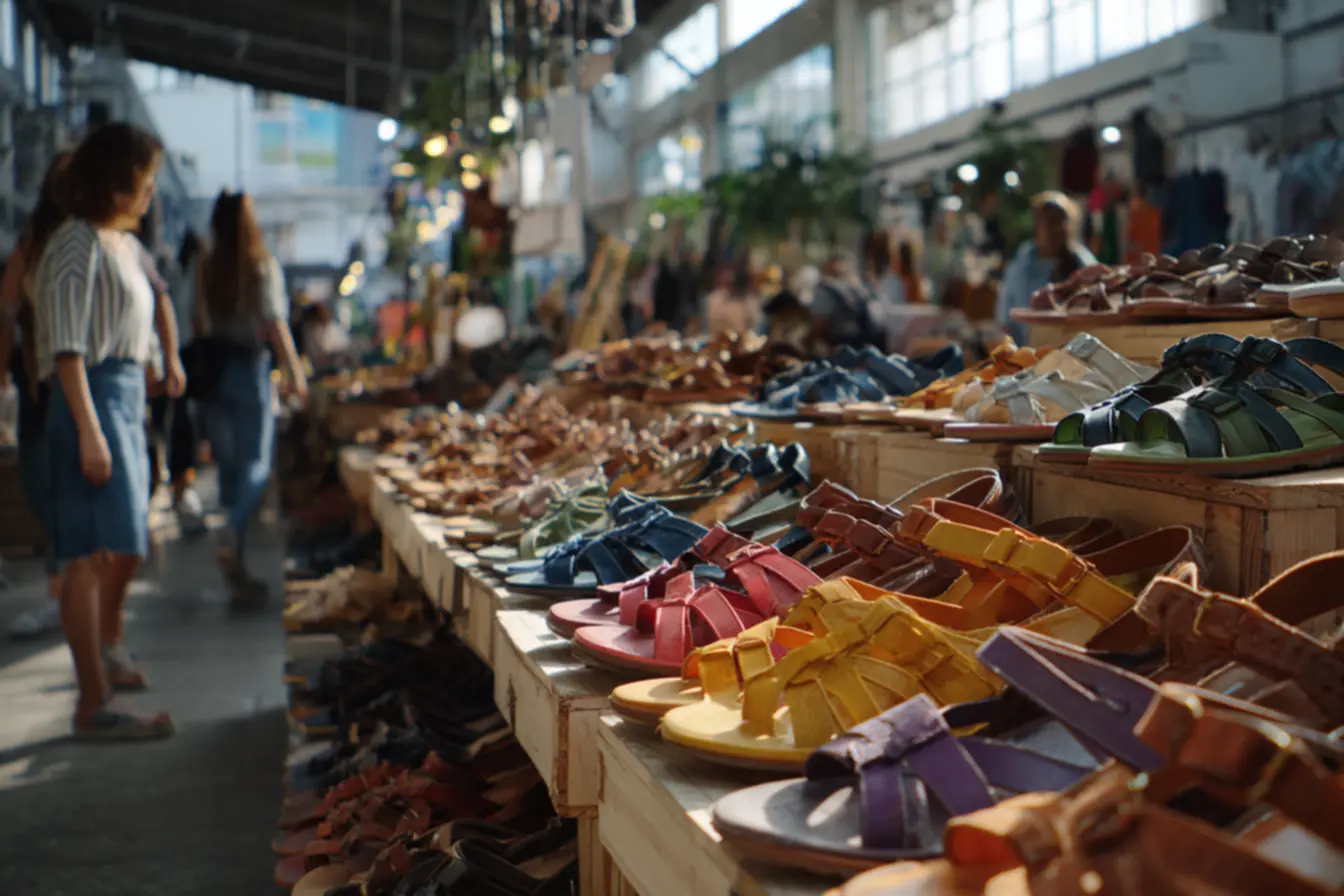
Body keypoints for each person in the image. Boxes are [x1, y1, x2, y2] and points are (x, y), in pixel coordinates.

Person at [36, 122, 184, 739]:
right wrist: (91, 431)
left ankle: (104, 662)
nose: (150, 191)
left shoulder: (120, 243)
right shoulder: (75, 242)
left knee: (122, 543)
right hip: (89, 402)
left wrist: (157, 361)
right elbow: (68, 348)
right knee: (86, 558)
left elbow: (140, 316)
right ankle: (92, 703)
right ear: (117, 178)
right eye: (143, 178)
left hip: (120, 402)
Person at [196, 191, 307, 602]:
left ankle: (236, 569)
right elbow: (276, 323)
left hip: (212, 374)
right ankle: (230, 531)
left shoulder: (205, 266)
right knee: (256, 468)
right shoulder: (261, 265)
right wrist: (295, 374)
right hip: (248, 370)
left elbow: (197, 320)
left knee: (229, 473)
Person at [0, 152, 70, 639]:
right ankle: (66, 593)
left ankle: (67, 595)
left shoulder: (92, 240)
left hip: (58, 384)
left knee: (55, 493)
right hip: (42, 384)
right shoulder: (37, 242)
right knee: (47, 491)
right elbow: (6, 311)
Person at [995, 191, 1097, 344]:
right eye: (1047, 221)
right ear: (1037, 225)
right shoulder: (1021, 266)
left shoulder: (1084, 264)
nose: (1053, 228)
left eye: (1059, 220)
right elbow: (1005, 320)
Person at [808, 252, 883, 352]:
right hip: (868, 341)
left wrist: (806, 343)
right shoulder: (856, 285)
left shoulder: (824, 289)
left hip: (842, 344)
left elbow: (820, 323)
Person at [703, 267, 761, 337]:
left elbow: (752, 327)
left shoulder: (751, 302)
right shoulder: (715, 299)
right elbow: (713, 325)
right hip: (720, 341)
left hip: (742, 342)